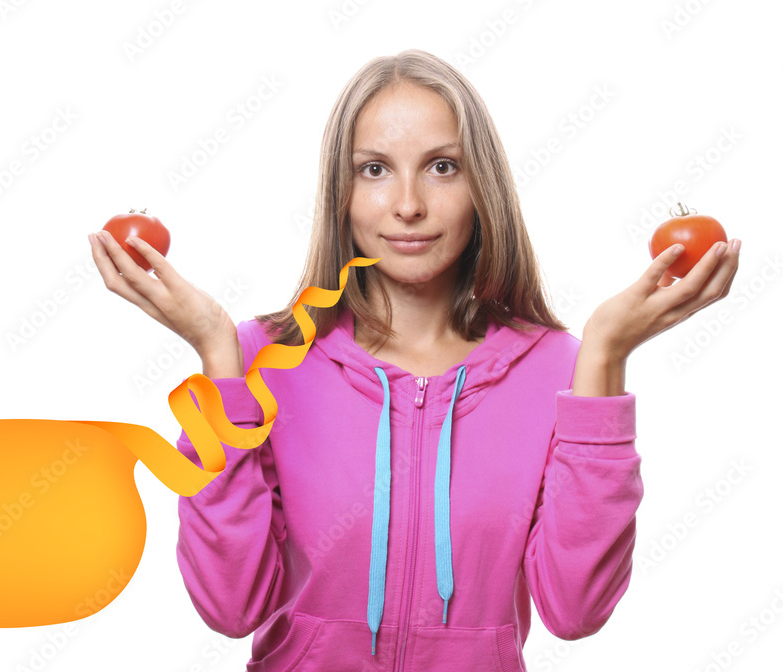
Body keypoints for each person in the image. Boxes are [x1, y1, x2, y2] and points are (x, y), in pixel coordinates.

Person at [88, 49, 740, 671]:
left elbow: (576, 610)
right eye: (374, 169)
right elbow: (231, 607)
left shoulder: (558, 371)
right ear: (339, 194)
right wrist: (216, 356)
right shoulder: (262, 360)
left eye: (442, 166)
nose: (407, 204)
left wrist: (604, 356)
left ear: (481, 186)